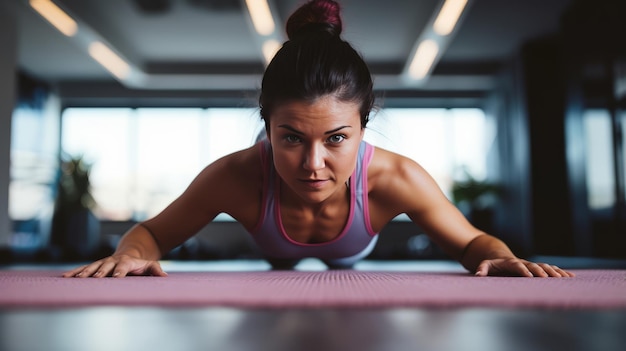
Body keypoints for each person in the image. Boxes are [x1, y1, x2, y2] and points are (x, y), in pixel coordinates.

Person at [63, 0, 573, 278]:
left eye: (335, 138)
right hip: (274, 252)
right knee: (282, 264)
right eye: (290, 138)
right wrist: (130, 256)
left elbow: (472, 243)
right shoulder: (235, 176)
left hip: (352, 253)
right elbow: (150, 234)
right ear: (266, 126)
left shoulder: (396, 177)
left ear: (363, 127)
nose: (313, 164)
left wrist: (501, 256)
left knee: (336, 261)